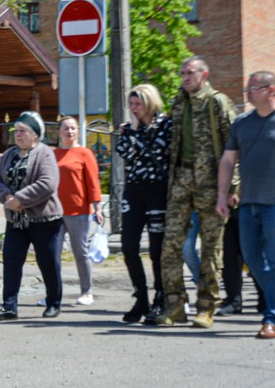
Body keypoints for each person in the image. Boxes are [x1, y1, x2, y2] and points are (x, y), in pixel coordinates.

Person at [151, 56, 237, 328]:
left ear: (204, 74)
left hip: (212, 184)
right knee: (171, 245)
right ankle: (175, 305)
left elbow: (234, 146)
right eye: (182, 73)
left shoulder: (217, 103)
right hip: (181, 181)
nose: (185, 77)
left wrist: (233, 187)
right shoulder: (179, 102)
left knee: (212, 249)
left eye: (190, 73)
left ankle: (206, 306)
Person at [217, 71, 275, 339]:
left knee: (273, 261)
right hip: (248, 203)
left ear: (271, 90)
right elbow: (228, 161)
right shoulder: (241, 123)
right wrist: (222, 195)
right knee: (252, 259)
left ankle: (269, 318)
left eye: (253, 88)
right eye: (247, 88)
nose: (248, 93)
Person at [0, 112, 64, 321]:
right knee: (11, 261)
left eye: (23, 131)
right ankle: (9, 306)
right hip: (16, 221)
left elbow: (48, 183)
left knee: (48, 262)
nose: (18, 135)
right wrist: (7, 198)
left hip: (44, 220)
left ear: (35, 135)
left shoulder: (44, 153)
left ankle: (53, 302)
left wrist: (20, 199)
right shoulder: (9, 154)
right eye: (17, 130)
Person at [116, 83, 172, 323]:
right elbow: (123, 153)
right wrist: (133, 130)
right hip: (134, 191)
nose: (133, 108)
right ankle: (141, 297)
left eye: (137, 103)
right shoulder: (129, 129)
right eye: (131, 104)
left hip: (157, 190)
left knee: (157, 249)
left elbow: (161, 151)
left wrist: (137, 135)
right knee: (129, 246)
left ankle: (161, 297)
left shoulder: (166, 125)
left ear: (150, 102)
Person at [54, 116, 103, 306]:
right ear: (59, 131)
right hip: (56, 212)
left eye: (73, 128)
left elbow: (93, 182)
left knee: (80, 252)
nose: (70, 132)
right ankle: (54, 294)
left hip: (79, 211)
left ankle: (86, 291)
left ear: (78, 131)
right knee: (52, 254)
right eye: (66, 128)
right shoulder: (54, 154)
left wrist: (97, 206)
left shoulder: (84, 153)